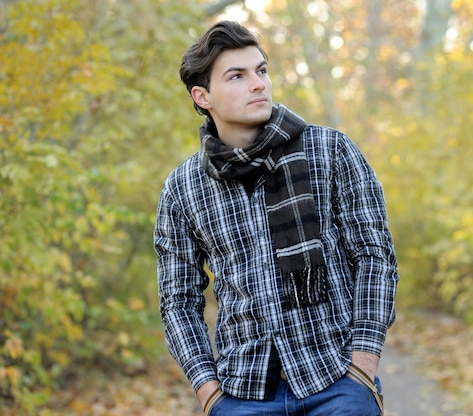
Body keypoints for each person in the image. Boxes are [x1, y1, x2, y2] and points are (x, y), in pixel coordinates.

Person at [154, 20, 398, 416]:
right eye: (237, 76)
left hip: (336, 380)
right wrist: (210, 394)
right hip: (242, 393)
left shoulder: (330, 151)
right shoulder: (183, 188)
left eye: (261, 71)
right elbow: (178, 301)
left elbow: (375, 257)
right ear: (203, 96)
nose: (258, 84)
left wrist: (363, 366)